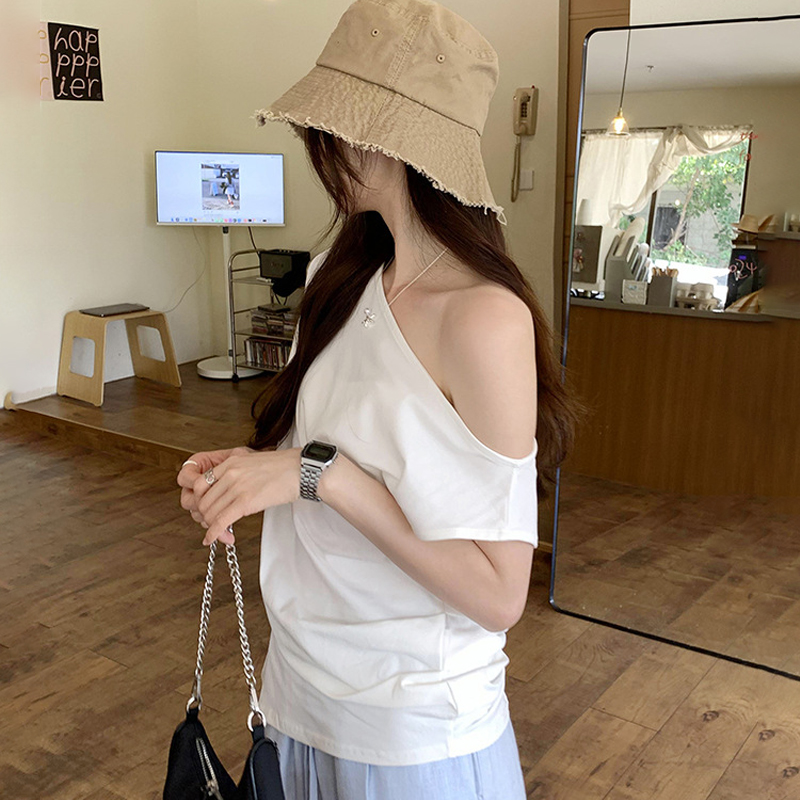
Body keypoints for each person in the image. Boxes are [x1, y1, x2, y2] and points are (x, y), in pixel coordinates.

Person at [177, 1, 583, 797]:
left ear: (376, 138)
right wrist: (248, 475)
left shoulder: (482, 319)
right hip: (298, 697)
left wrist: (318, 476)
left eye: (327, 126)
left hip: (412, 735)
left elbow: (500, 593)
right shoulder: (343, 278)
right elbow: (320, 449)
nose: (317, 146)